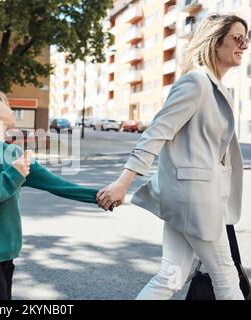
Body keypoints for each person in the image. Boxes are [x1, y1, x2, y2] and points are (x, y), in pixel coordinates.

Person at [97, 13, 249, 300]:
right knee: (226, 275)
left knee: (171, 275)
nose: (244, 45)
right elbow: (156, 133)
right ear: (215, 42)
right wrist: (123, 182)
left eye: (247, 38)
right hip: (195, 200)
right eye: (237, 38)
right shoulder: (196, 83)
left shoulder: (218, 89)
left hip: (196, 198)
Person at [0, 85, 102, 300]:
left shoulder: (13, 151)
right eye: (4, 103)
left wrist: (98, 196)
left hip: (6, 250)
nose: (9, 107)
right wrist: (14, 175)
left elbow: (55, 184)